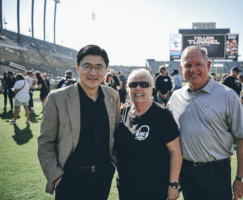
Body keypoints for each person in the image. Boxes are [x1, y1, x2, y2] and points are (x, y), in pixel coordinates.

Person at [167, 45, 243, 200]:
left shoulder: (228, 95)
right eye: (187, 65)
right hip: (186, 172)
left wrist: (241, 177)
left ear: (208, 65)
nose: (193, 69)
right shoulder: (175, 97)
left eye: (198, 64)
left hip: (217, 172)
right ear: (181, 68)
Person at [38, 45, 120, 199]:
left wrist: (112, 164)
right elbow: (45, 141)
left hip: (103, 176)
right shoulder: (57, 98)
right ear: (77, 67)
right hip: (68, 179)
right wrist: (57, 177)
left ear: (106, 69)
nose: (93, 72)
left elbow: (115, 133)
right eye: (87, 66)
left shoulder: (112, 96)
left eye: (98, 67)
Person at [115, 69, 182, 200]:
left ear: (151, 89)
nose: (138, 88)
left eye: (144, 85)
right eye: (133, 85)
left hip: (154, 189)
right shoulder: (122, 113)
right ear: (129, 89)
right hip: (126, 187)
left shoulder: (162, 115)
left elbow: (176, 152)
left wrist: (173, 185)